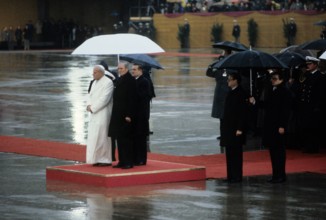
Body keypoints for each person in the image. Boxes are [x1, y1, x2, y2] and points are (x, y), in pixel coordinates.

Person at [250, 71, 292, 183]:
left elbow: (285, 111)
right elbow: (267, 104)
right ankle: (275, 175)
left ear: (281, 80)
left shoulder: (285, 92)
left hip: (278, 126)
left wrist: (282, 125)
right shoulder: (274, 90)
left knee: (279, 152)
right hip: (271, 126)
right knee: (273, 151)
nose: (272, 80)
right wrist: (255, 102)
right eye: (272, 78)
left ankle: (281, 175)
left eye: (274, 78)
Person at [220, 72, 248, 183]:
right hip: (228, 128)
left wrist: (240, 128)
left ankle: (237, 176)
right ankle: (230, 175)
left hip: (236, 129)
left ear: (236, 80)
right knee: (230, 153)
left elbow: (243, 113)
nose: (228, 81)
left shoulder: (241, 93)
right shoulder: (230, 92)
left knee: (236, 154)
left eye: (230, 79)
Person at [109, 61, 137, 169]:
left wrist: (129, 114)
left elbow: (132, 99)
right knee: (119, 139)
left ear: (126, 69)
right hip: (118, 113)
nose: (119, 70)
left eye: (121, 69)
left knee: (126, 139)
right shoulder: (120, 79)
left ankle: (128, 162)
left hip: (125, 114)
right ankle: (122, 161)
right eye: (118, 69)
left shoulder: (130, 81)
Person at [86, 65, 114, 166]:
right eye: (93, 72)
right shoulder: (94, 82)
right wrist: (88, 105)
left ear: (101, 72)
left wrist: (93, 108)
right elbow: (90, 95)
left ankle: (105, 159)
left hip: (103, 113)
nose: (93, 74)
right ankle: (96, 158)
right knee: (94, 137)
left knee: (103, 136)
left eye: (95, 72)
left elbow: (105, 99)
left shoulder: (108, 82)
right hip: (94, 113)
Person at [294, 56, 323, 153]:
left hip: (313, 106)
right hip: (305, 105)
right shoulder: (306, 75)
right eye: (307, 64)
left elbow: (320, 93)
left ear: (315, 65)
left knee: (313, 127)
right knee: (305, 126)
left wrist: (317, 106)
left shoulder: (320, 76)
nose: (308, 66)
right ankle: (307, 145)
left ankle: (313, 147)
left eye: (310, 64)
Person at [206, 49, 232, 140]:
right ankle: (223, 134)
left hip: (228, 93)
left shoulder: (232, 67)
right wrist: (214, 64)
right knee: (221, 116)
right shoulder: (219, 68)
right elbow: (209, 73)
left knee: (228, 116)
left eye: (223, 53)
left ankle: (228, 134)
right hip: (220, 93)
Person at [131, 63, 151, 165]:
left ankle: (141, 159)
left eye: (134, 69)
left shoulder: (144, 81)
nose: (132, 71)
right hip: (135, 115)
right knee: (135, 137)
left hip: (141, 115)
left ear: (140, 70)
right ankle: (135, 158)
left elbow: (142, 97)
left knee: (141, 138)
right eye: (132, 70)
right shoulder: (134, 81)